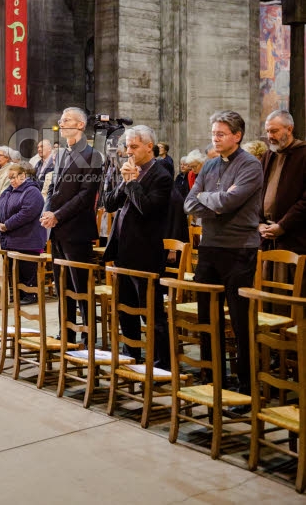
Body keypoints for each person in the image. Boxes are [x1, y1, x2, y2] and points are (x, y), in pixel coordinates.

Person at [184, 110, 263, 399]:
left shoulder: (250, 165)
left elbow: (231, 201)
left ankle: (245, 388)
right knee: (207, 316)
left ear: (237, 135)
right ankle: (213, 376)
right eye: (213, 134)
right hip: (209, 247)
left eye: (220, 134)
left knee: (240, 321)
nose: (214, 139)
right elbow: (189, 203)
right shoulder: (209, 166)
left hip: (239, 249)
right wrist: (212, 200)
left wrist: (211, 200)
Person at [103, 125, 173, 367]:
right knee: (125, 309)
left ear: (149, 147)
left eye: (134, 147)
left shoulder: (162, 175)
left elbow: (147, 209)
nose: (128, 152)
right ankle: (131, 355)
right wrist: (124, 183)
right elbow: (109, 204)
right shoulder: (130, 172)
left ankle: (161, 362)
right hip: (123, 251)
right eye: (127, 147)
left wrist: (132, 182)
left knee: (151, 312)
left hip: (146, 253)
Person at [41, 107, 102, 342]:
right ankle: (65, 331)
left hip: (77, 229)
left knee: (80, 286)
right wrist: (47, 211)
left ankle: (88, 335)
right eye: (60, 120)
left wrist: (58, 215)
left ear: (80, 126)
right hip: (57, 229)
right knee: (61, 283)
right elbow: (53, 188)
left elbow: (86, 195)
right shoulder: (62, 153)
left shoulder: (92, 155)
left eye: (66, 120)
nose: (61, 123)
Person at [0, 163, 47, 305]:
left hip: (28, 238)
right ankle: (18, 294)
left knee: (27, 269)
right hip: (11, 238)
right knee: (15, 269)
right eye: (9, 178)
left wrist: (7, 225)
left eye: (14, 177)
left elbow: (26, 213)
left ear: (23, 175)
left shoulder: (32, 192)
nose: (11, 180)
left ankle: (31, 295)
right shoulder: (8, 191)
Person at [259, 109, 306, 264]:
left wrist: (283, 225)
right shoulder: (267, 156)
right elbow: (257, 192)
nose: (270, 136)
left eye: (274, 131)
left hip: (294, 237)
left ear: (289, 129)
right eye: (267, 131)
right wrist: (259, 222)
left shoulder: (303, 154)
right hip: (266, 237)